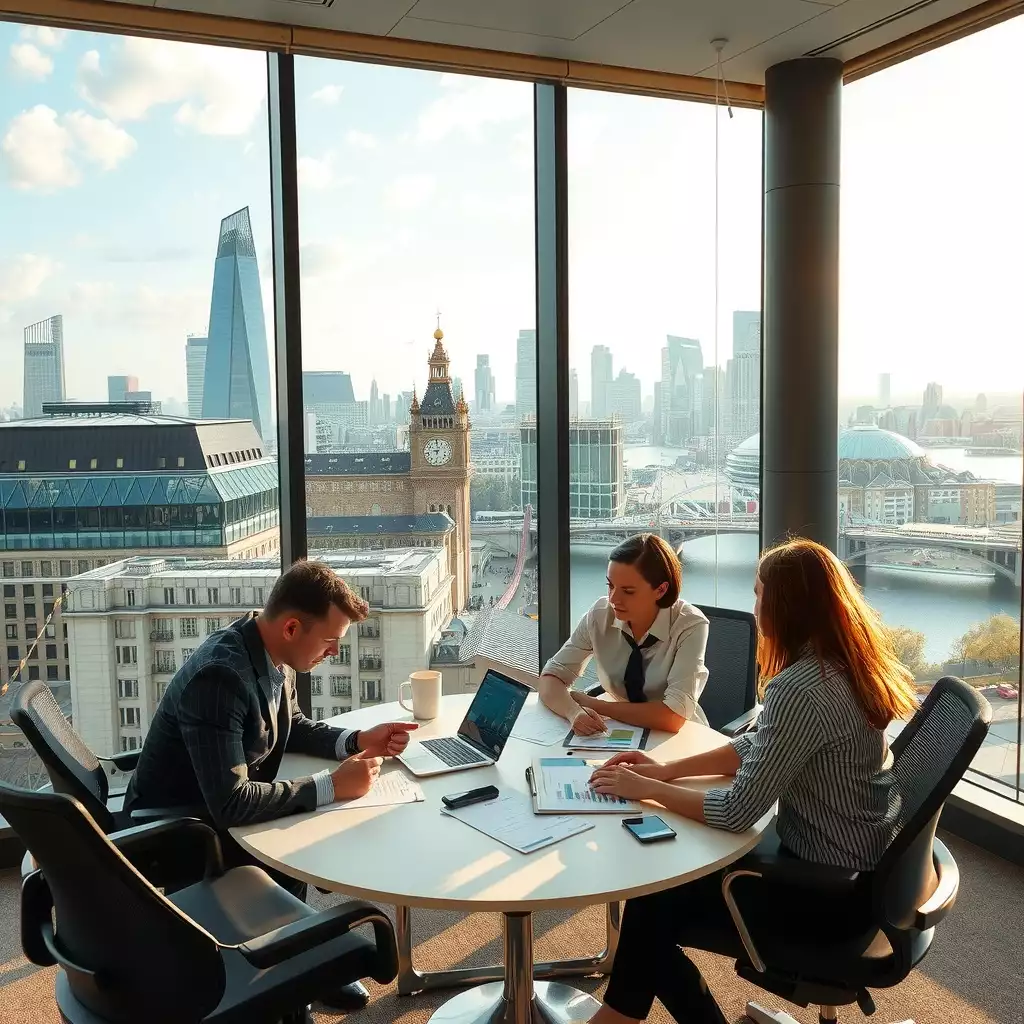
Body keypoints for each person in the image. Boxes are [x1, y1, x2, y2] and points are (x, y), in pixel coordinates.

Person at [586, 538, 919, 1024]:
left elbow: (737, 811)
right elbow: (757, 744)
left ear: (787, 605)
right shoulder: (843, 665)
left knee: (652, 903)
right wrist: (666, 770)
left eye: (759, 593)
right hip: (860, 871)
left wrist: (648, 791)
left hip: (827, 893)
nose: (754, 604)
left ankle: (615, 1020)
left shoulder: (801, 689)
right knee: (653, 904)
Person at [125, 560, 417, 1013]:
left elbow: (290, 726)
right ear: (292, 627)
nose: (334, 652)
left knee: (315, 816)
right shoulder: (219, 677)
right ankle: (295, 967)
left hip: (211, 807)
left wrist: (357, 741)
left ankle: (298, 959)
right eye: (330, 641)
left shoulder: (264, 649)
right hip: (185, 830)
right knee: (316, 820)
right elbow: (232, 804)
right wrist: (331, 786)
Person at [537, 533, 709, 736]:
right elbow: (550, 678)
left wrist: (597, 706)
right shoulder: (600, 615)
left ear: (661, 590)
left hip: (676, 737)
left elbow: (673, 717)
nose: (614, 599)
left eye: (628, 591)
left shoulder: (689, 624)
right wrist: (574, 712)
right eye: (610, 585)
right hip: (615, 731)